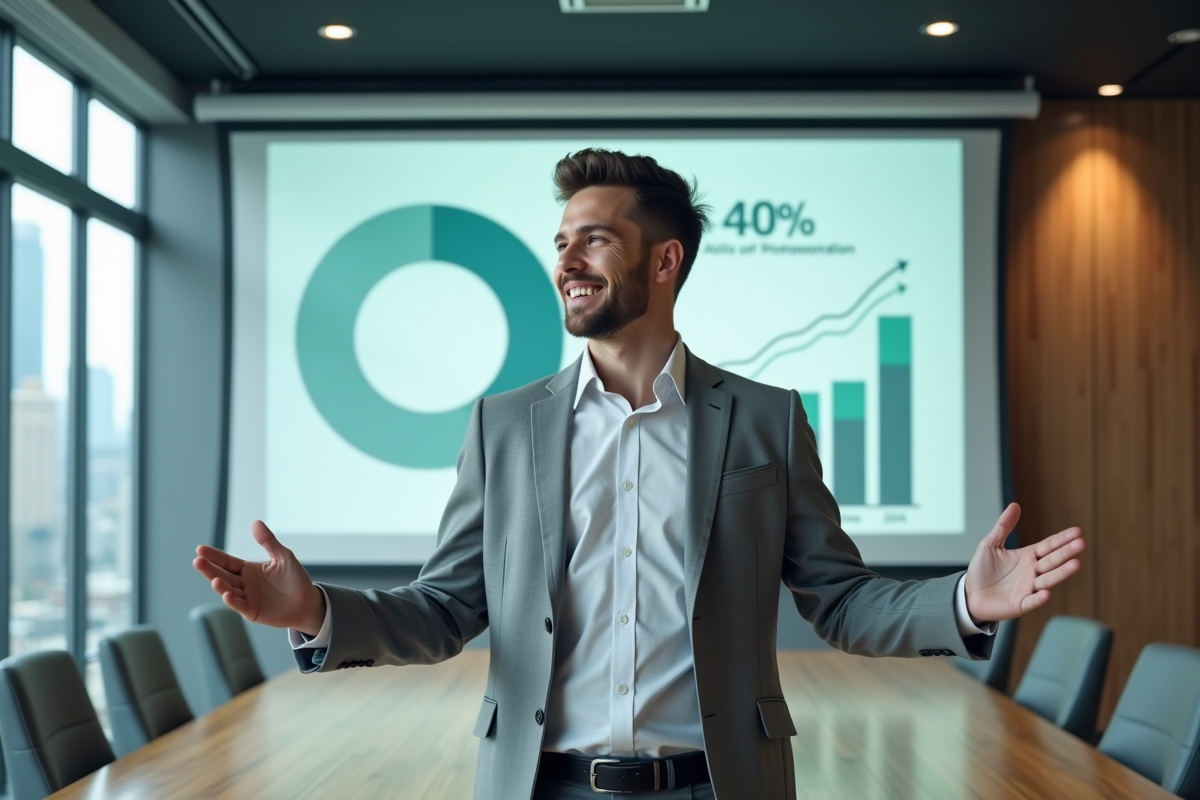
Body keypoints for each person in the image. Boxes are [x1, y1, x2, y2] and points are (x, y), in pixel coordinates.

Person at [193, 149, 1085, 800]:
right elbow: (446, 609)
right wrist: (315, 614)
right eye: (560, 242)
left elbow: (840, 601)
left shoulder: (766, 420)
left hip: (720, 784)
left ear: (666, 261)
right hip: (540, 785)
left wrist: (961, 604)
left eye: (594, 241)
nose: (566, 262)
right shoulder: (504, 427)